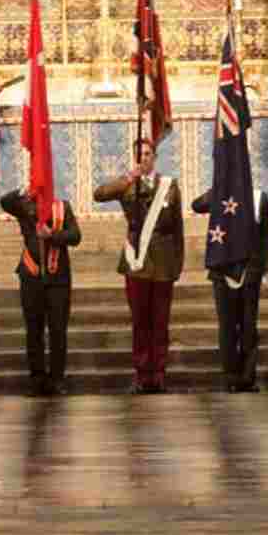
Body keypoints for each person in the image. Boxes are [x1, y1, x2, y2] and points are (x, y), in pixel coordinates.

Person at [94, 138, 184, 394]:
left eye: (147, 153)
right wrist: (127, 179)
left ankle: (159, 374)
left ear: (154, 156)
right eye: (139, 154)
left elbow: (177, 227)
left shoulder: (169, 186)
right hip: (137, 261)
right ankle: (142, 374)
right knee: (140, 321)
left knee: (160, 322)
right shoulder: (127, 185)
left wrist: (178, 263)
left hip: (164, 262)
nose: (144, 158)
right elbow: (99, 194)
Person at [0, 186, 80, 397]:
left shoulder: (62, 208)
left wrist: (52, 235)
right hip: (31, 276)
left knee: (58, 331)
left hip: (58, 279)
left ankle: (57, 380)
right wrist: (21, 191)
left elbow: (75, 236)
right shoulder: (25, 206)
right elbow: (4, 202)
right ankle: (37, 380)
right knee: (34, 331)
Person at [192, 185, 268, 392]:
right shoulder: (220, 194)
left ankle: (248, 377)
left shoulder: (258, 197)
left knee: (248, 327)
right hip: (222, 272)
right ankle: (231, 377)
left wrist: (264, 270)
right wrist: (218, 188)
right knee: (227, 328)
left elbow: (266, 236)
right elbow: (197, 205)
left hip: (250, 272)